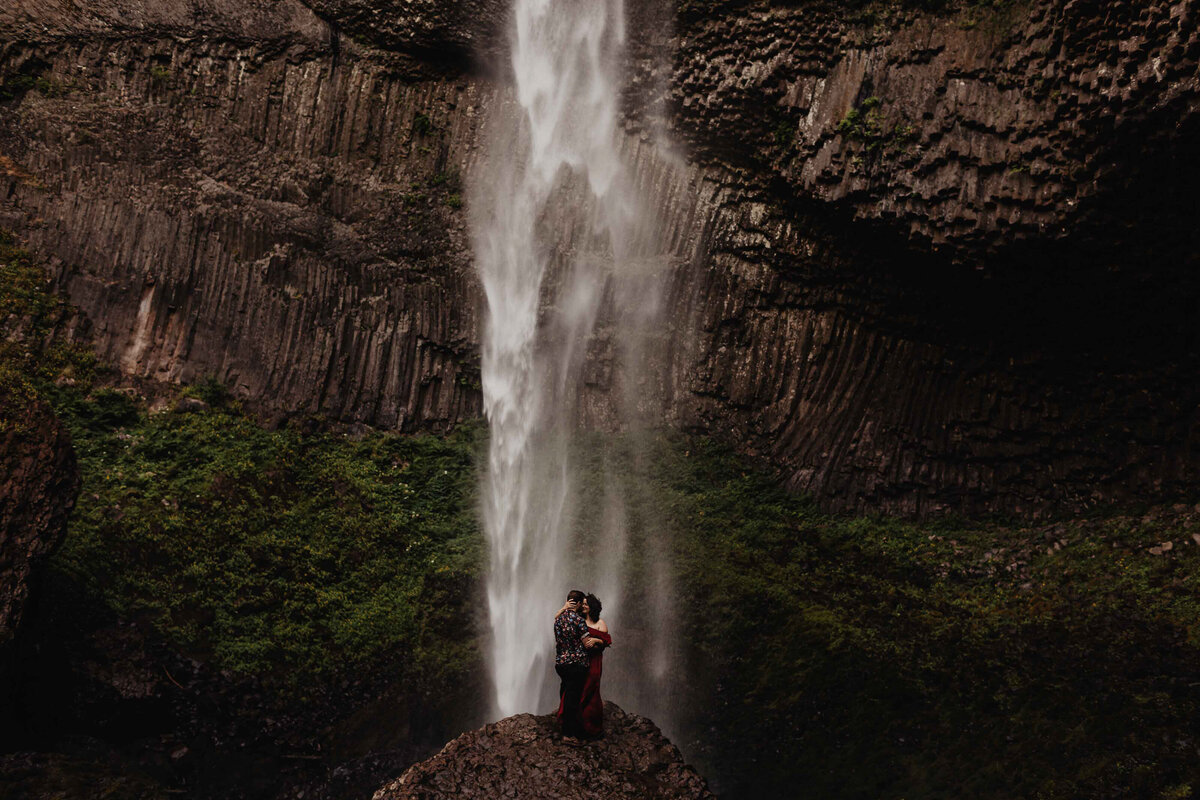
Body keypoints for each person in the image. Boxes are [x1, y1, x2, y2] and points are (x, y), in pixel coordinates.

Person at [557, 593, 611, 737]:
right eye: (583, 603)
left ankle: (589, 725)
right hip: (579, 660)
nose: (584, 605)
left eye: (587, 604)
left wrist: (596, 641)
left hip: (594, 660)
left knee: (591, 688)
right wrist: (564, 607)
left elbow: (606, 640)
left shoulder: (600, 623)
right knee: (576, 689)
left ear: (593, 606)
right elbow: (559, 621)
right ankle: (576, 724)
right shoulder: (577, 619)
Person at [553, 590, 591, 744]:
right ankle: (568, 734)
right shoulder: (579, 621)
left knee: (566, 694)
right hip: (576, 664)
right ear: (579, 603)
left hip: (561, 663)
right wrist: (600, 641)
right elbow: (587, 643)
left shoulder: (558, 620)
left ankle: (565, 727)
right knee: (572, 699)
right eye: (583, 603)